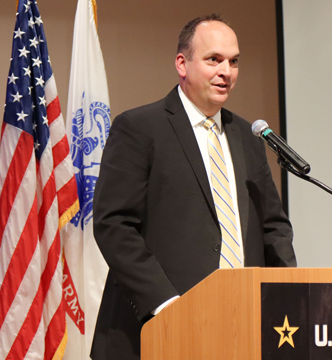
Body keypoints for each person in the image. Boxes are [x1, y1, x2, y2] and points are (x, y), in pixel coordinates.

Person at [90, 14, 296, 360]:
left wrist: (284, 297)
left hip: (239, 327)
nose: (226, 72)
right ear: (182, 64)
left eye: (233, 62)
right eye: (214, 59)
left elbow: (273, 227)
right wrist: (167, 303)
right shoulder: (140, 128)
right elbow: (113, 224)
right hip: (156, 328)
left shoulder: (248, 137)